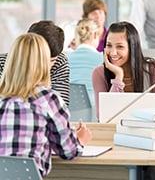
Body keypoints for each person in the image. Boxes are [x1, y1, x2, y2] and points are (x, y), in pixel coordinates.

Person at [0, 33, 92, 177]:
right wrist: (80, 139)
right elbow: (68, 151)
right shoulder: (48, 99)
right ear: (44, 62)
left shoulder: (2, 99)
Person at [92, 21, 155, 120]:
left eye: (120, 46)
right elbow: (104, 116)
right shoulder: (99, 73)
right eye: (109, 45)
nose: (113, 53)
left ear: (133, 48)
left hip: (148, 132)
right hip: (113, 132)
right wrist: (118, 77)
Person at [0, 20, 70, 106]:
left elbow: (61, 105)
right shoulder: (3, 63)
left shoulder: (60, 61)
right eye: (41, 59)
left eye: (52, 61)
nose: (46, 66)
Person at [68, 18, 103, 106]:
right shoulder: (104, 59)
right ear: (95, 34)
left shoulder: (65, 59)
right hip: (97, 109)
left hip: (70, 109)